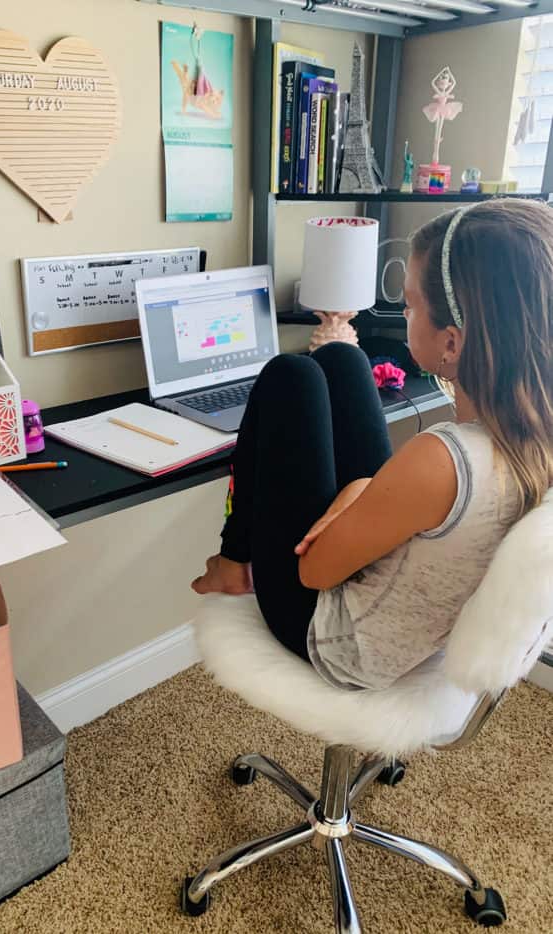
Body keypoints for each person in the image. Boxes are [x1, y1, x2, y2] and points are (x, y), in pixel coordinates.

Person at [192, 198, 552, 691]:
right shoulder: (531, 439)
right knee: (344, 359)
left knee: (290, 375)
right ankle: (236, 557)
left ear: (451, 342)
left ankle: (233, 562)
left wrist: (360, 488)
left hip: (333, 637)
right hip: (404, 614)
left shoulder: (443, 458)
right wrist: (366, 492)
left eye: (409, 305)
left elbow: (315, 572)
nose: (404, 315)